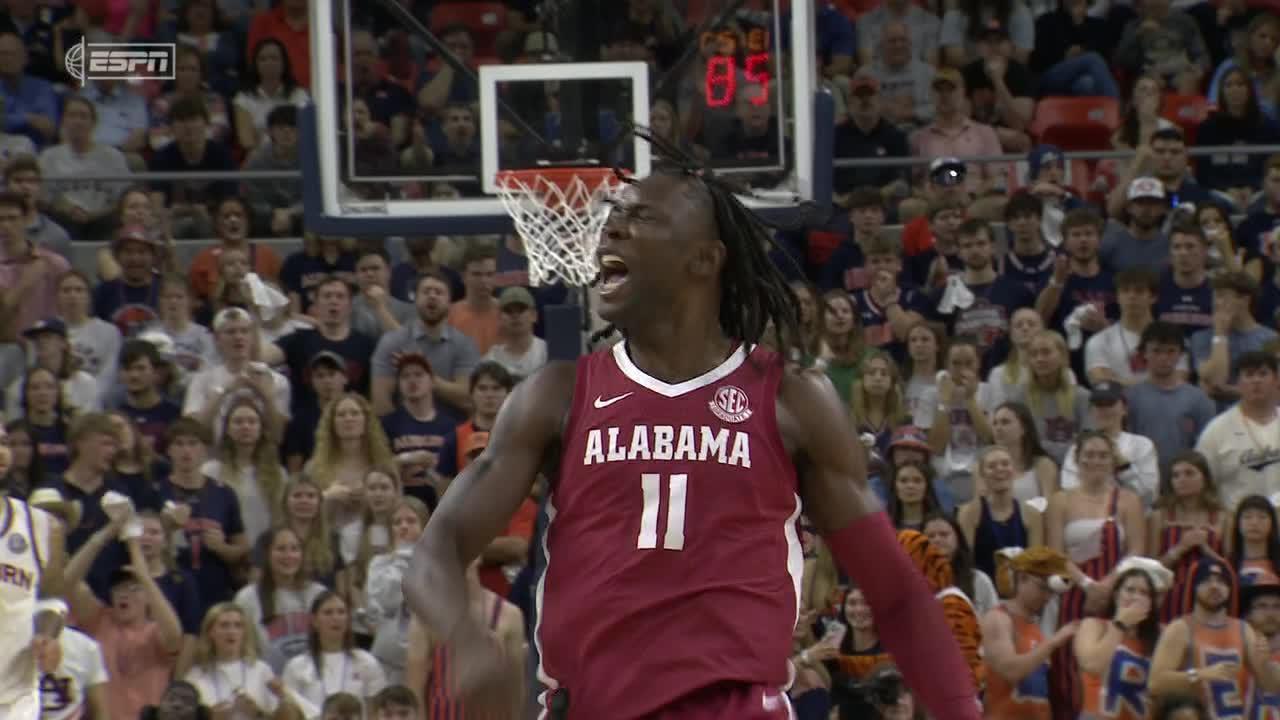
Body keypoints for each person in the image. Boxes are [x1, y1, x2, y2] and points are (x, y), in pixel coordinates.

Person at [404, 167, 980, 719]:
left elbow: (897, 594)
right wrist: (464, 638)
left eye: (642, 218)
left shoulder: (791, 398)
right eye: (613, 217)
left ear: (705, 259)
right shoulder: (554, 395)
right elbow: (438, 548)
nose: (613, 228)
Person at [1150, 558, 1280, 715]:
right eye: (1206, 581)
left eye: (1221, 582)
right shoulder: (1180, 629)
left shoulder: (1243, 629)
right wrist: (1201, 674)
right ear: (1194, 587)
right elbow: (1155, 683)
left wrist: (1265, 664)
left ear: (1229, 588)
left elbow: (1270, 687)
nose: (1214, 586)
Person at [0, 454, 64, 719]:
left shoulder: (42, 525)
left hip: (16, 698)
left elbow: (51, 600)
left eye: (3, 442)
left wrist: (47, 635)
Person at [981, 546, 1080, 719]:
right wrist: (1054, 641)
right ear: (1022, 578)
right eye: (1043, 588)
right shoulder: (999, 618)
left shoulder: (1034, 627)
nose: (1047, 597)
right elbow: (1010, 671)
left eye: (1051, 592)